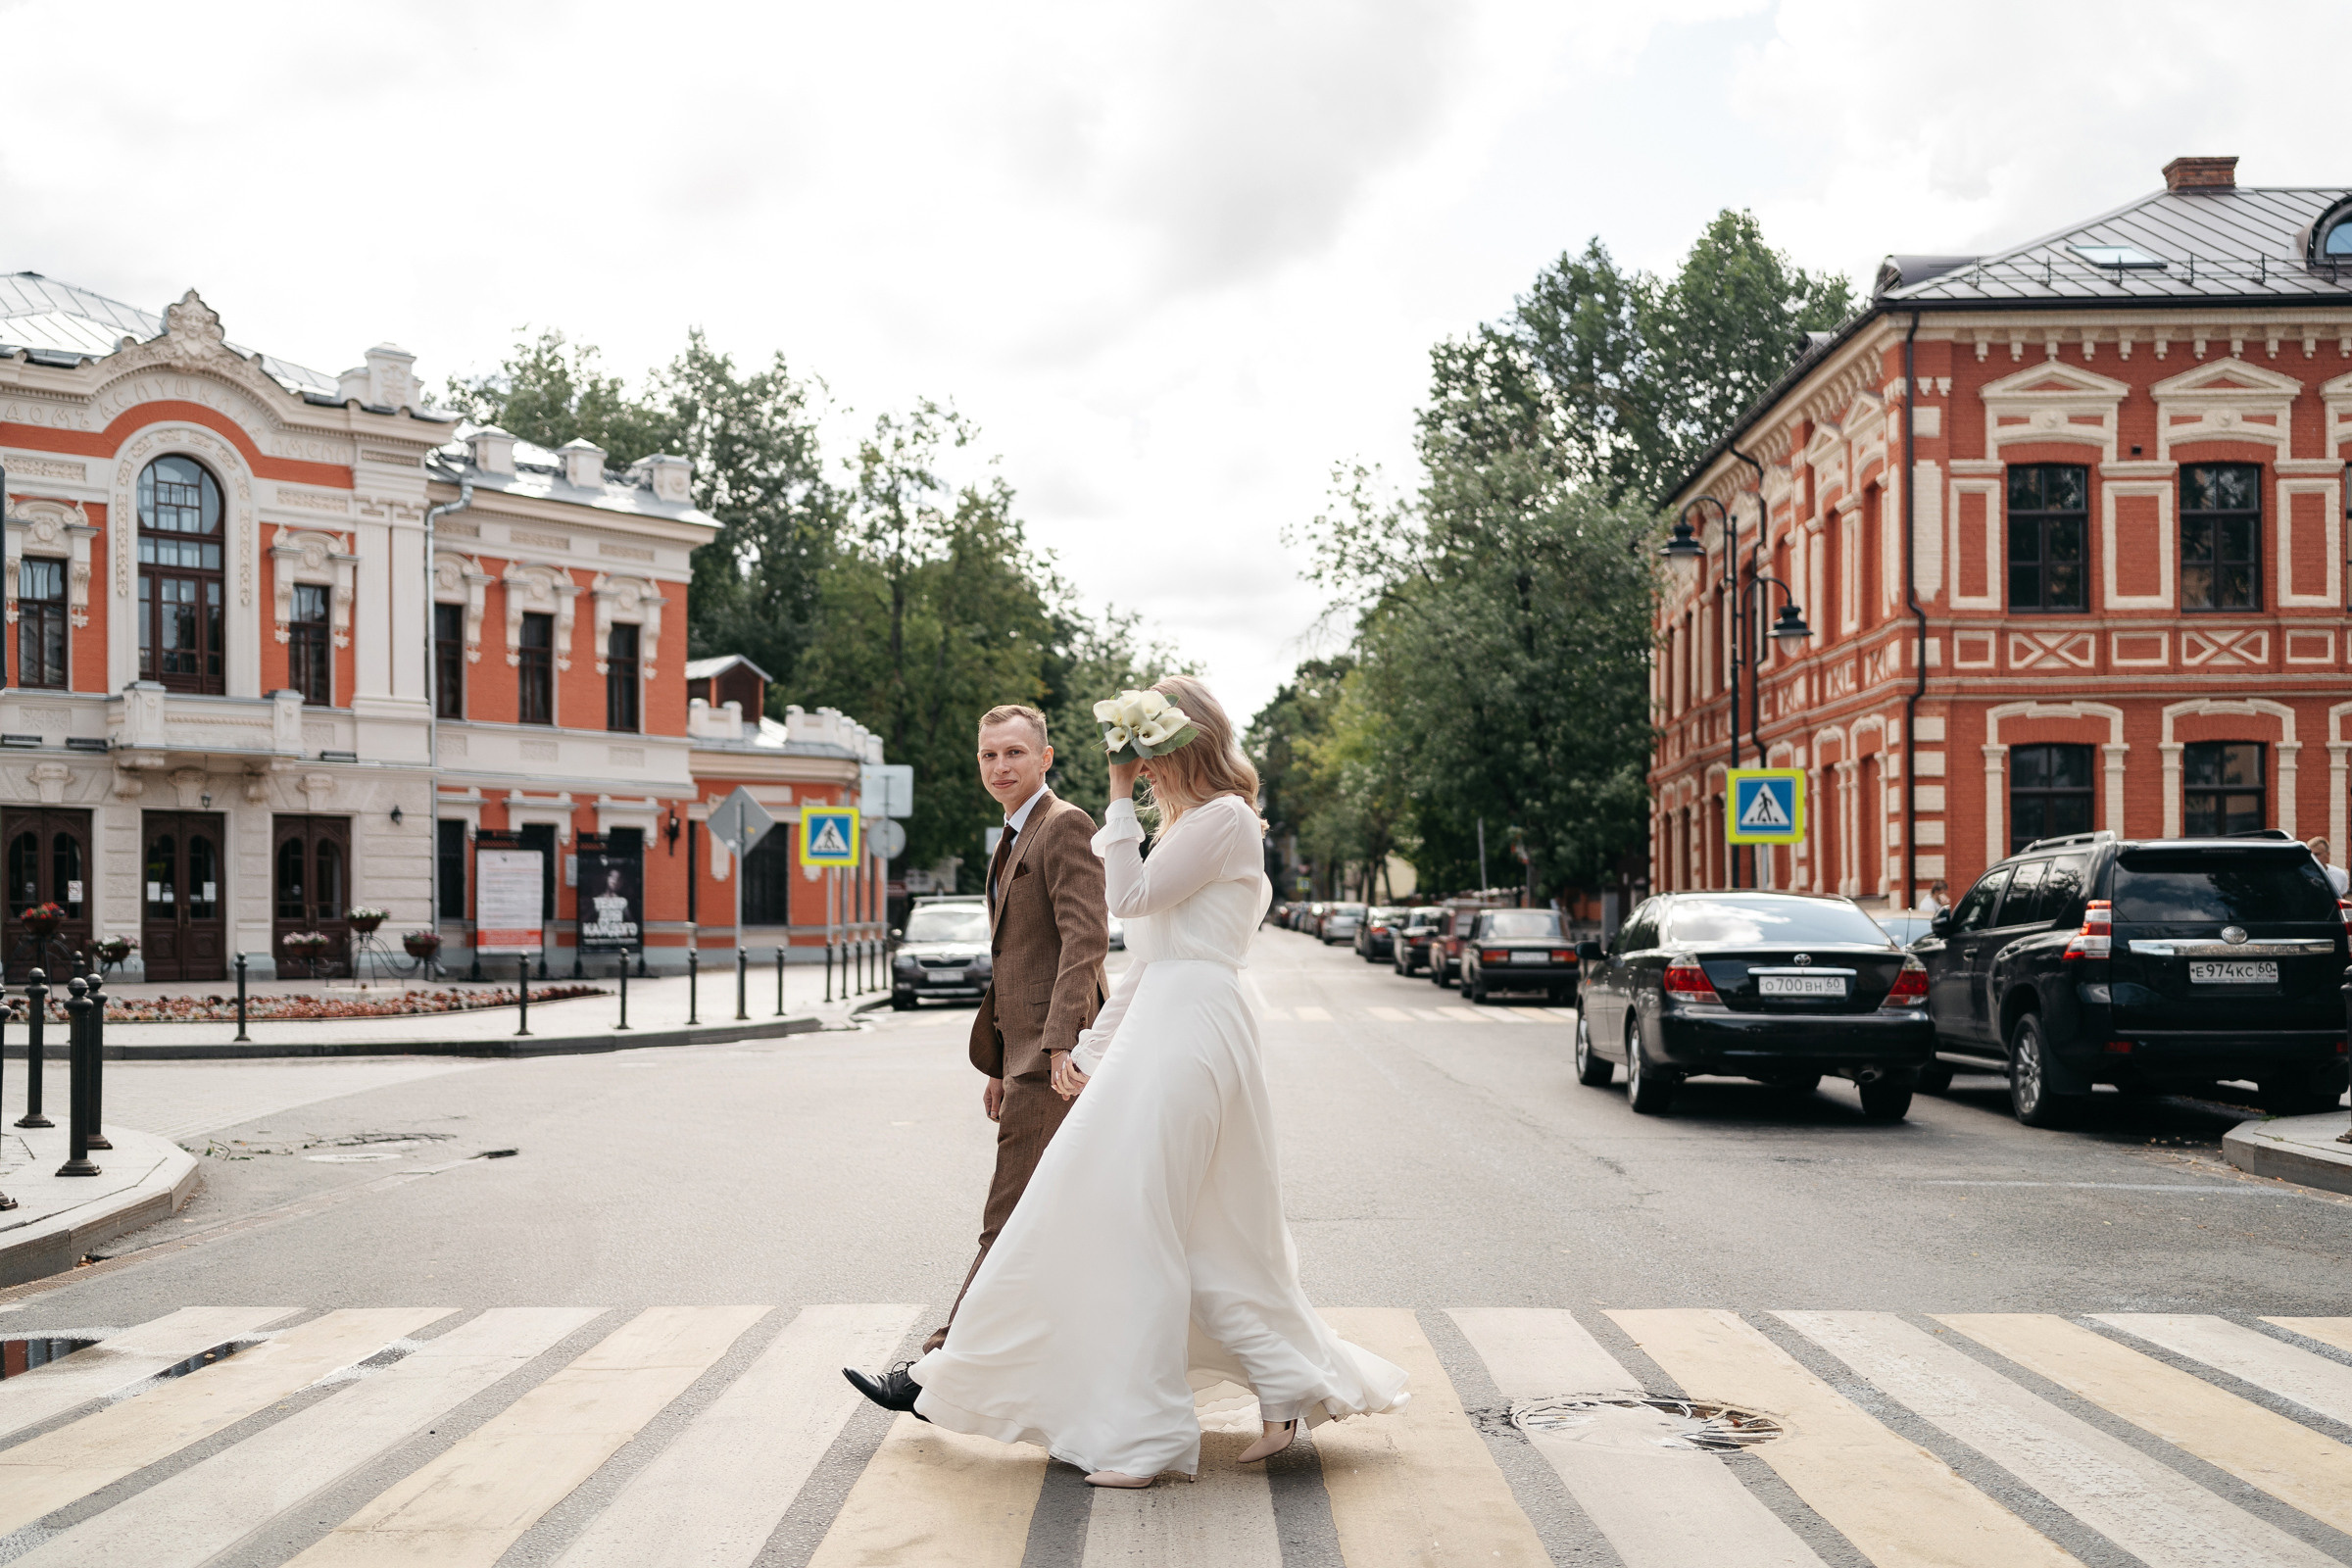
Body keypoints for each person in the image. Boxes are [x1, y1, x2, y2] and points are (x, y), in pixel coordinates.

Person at [855, 675, 1408, 1487]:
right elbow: (1147, 961)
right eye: (1134, 758)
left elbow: (1127, 898)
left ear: (1185, 744)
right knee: (1181, 1225)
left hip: (1198, 1033)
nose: (1140, 770)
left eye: (1147, 755)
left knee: (1137, 1217)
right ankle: (1282, 1386)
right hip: (1164, 1023)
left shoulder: (1223, 819)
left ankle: (1144, 1436)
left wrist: (1116, 800)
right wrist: (1086, 1048)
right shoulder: (1194, 824)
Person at [847, 705, 1107, 1391]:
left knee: (1007, 1217)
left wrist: (1059, 1050)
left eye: (1015, 753)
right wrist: (997, 1060)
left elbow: (1085, 943)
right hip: (1021, 1058)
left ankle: (935, 1369)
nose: (1001, 767)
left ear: (1046, 758)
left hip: (1053, 1064)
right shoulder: (1013, 832)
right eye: (989, 755)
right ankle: (1042, 1363)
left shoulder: (1064, 825)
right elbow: (1015, 958)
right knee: (1037, 1220)